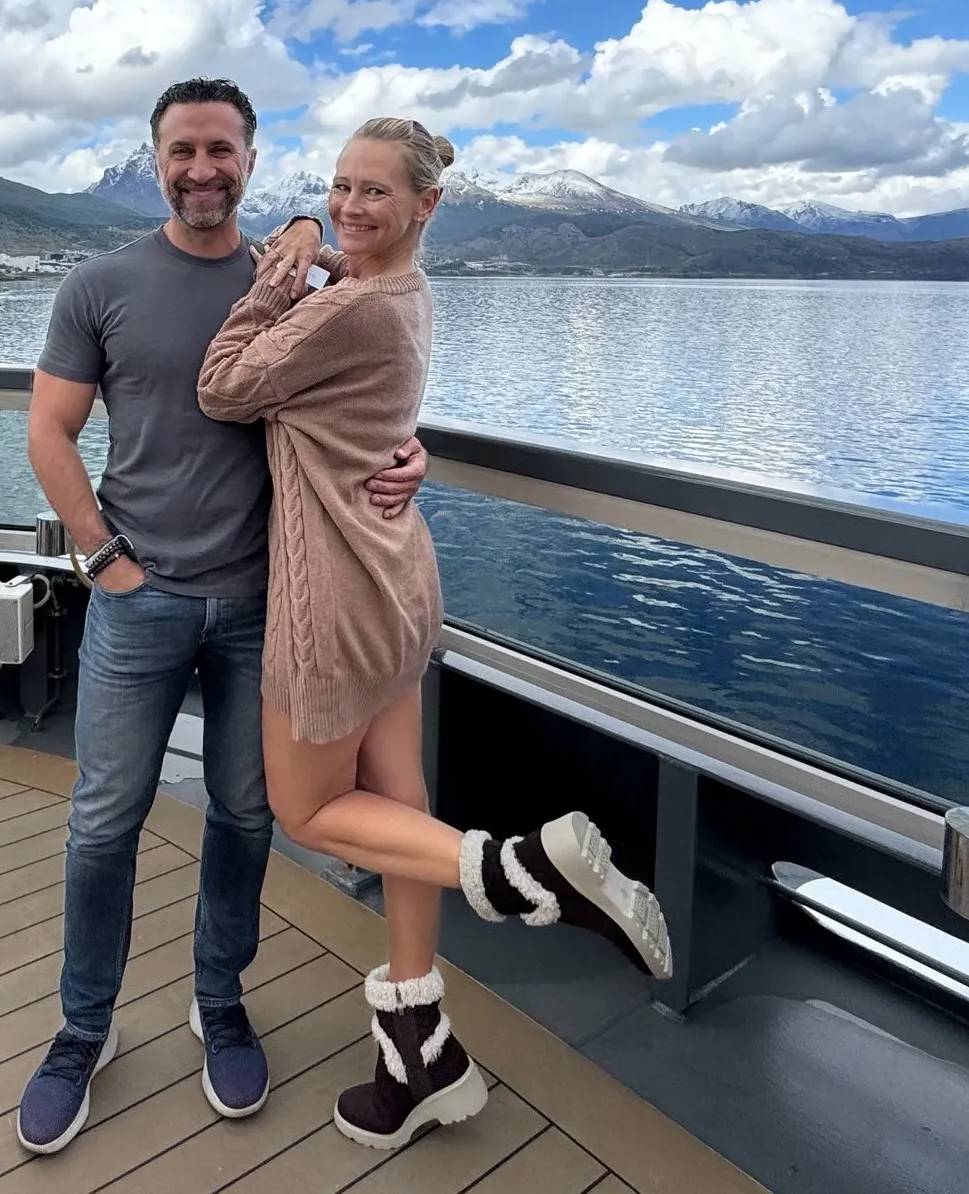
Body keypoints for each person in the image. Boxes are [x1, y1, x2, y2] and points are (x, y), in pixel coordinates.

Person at [197, 117, 674, 1151]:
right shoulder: (405, 295)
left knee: (310, 806)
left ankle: (518, 872)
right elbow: (343, 379)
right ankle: (417, 1048)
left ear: (427, 204)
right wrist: (304, 239)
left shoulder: (351, 308)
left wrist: (272, 282)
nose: (349, 207)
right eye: (337, 187)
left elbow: (223, 385)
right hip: (398, 581)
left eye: (374, 192)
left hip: (332, 594)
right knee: (395, 799)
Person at [17, 78, 430, 1156]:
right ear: (156, 159)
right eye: (183, 150)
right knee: (105, 819)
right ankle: (82, 1028)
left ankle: (220, 1000)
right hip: (136, 596)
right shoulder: (99, 284)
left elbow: (374, 377)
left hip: (267, 606)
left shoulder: (298, 278)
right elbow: (49, 434)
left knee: (247, 817)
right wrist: (102, 561)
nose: (202, 168)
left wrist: (409, 456)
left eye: (221, 151)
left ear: (250, 160)